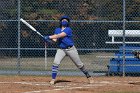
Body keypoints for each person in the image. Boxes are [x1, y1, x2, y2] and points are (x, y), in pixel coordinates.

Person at [43, 15, 93, 85]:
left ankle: (88, 76)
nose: (64, 21)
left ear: (68, 22)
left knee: (79, 64)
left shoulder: (68, 29)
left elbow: (59, 35)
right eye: (63, 20)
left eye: (66, 20)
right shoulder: (57, 29)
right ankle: (53, 79)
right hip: (61, 49)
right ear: (60, 21)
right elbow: (55, 40)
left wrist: (48, 36)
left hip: (70, 49)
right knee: (55, 63)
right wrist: (48, 40)